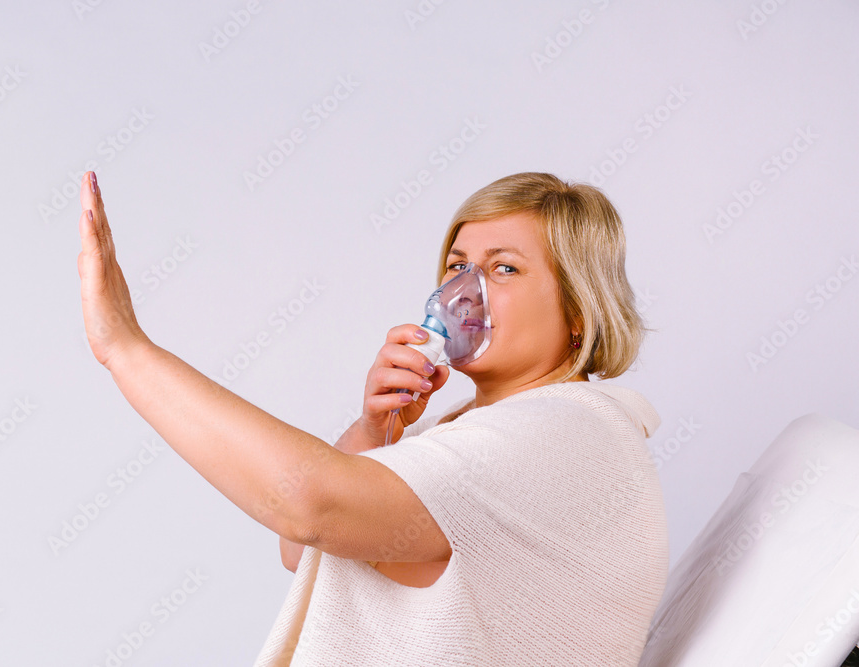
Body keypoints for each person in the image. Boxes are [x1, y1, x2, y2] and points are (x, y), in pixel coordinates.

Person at [77, 171, 670, 666]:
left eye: (504, 269)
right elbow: (303, 546)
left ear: (578, 308)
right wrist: (374, 431)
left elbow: (309, 505)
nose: (465, 292)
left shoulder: (564, 432)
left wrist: (128, 349)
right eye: (457, 265)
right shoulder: (496, 431)